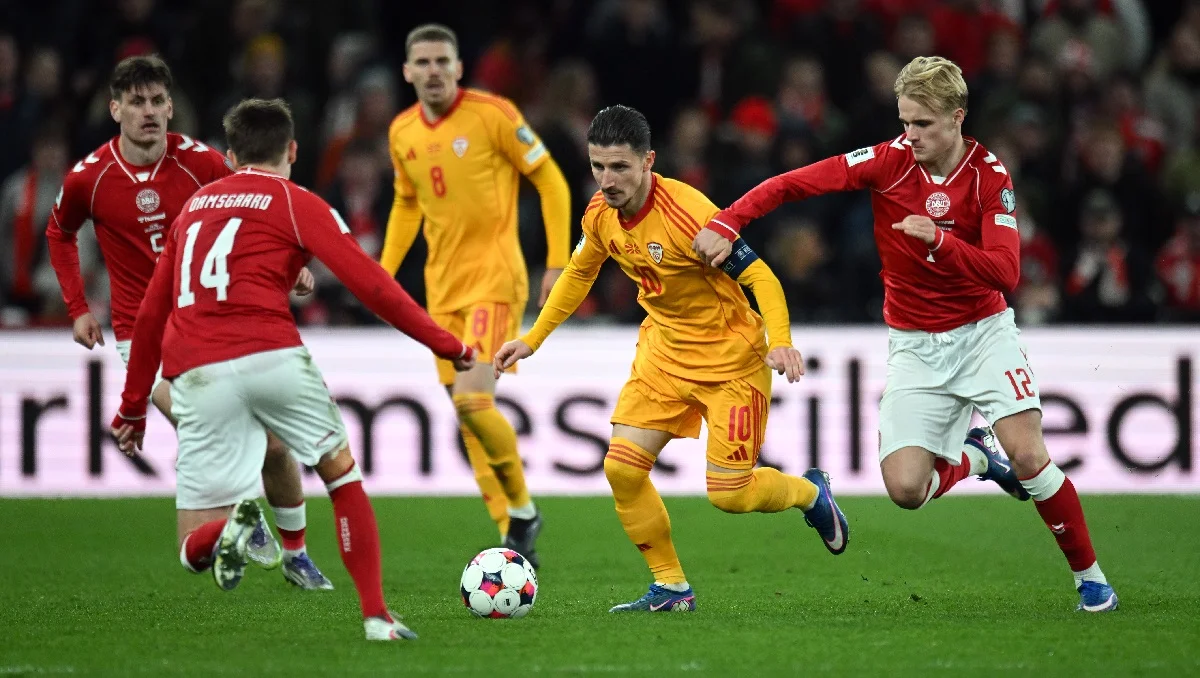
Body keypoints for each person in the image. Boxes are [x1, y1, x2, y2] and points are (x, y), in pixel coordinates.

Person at [691, 56, 1118, 613]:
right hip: (915, 344)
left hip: (983, 334)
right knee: (906, 490)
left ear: (957, 117)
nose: (909, 135)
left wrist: (940, 242)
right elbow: (796, 183)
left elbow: (1006, 272)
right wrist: (729, 219)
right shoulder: (887, 162)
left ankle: (1091, 578)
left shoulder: (989, 177)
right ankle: (977, 457)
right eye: (905, 121)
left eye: (923, 123)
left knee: (1029, 454)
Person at [110, 97, 476, 641]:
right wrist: (447, 344)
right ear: (293, 151)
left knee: (190, 549)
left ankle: (231, 529)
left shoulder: (192, 210)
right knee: (341, 476)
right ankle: (376, 616)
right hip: (271, 353)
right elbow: (372, 285)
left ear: (230, 156)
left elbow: (149, 317)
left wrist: (132, 407)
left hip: (197, 370)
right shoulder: (295, 201)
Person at [493, 105, 849, 613]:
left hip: (730, 362)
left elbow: (761, 276)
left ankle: (810, 494)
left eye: (619, 167)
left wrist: (781, 340)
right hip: (662, 356)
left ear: (648, 161)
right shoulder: (599, 212)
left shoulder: (690, 215)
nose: (607, 180)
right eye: (598, 166)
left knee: (730, 494)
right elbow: (580, 273)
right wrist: (534, 338)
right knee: (622, 470)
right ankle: (672, 587)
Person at [45, 55, 333, 590]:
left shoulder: (200, 162)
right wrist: (78, 307)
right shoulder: (90, 178)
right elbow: (58, 233)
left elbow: (259, 206)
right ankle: (244, 512)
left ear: (171, 106)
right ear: (115, 110)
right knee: (201, 419)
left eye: (158, 101)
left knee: (273, 445)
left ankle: (295, 554)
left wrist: (289, 266)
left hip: (210, 320)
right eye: (137, 102)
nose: (149, 112)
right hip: (142, 334)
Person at [379, 24, 572, 566]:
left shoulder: (494, 115)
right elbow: (407, 204)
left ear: (459, 68)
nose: (434, 71)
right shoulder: (401, 131)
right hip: (442, 291)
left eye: (443, 60)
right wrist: (383, 274)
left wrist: (557, 263)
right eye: (423, 62)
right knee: (466, 415)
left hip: (495, 280)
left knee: (472, 400)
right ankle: (514, 527)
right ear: (407, 72)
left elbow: (551, 181)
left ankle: (524, 514)